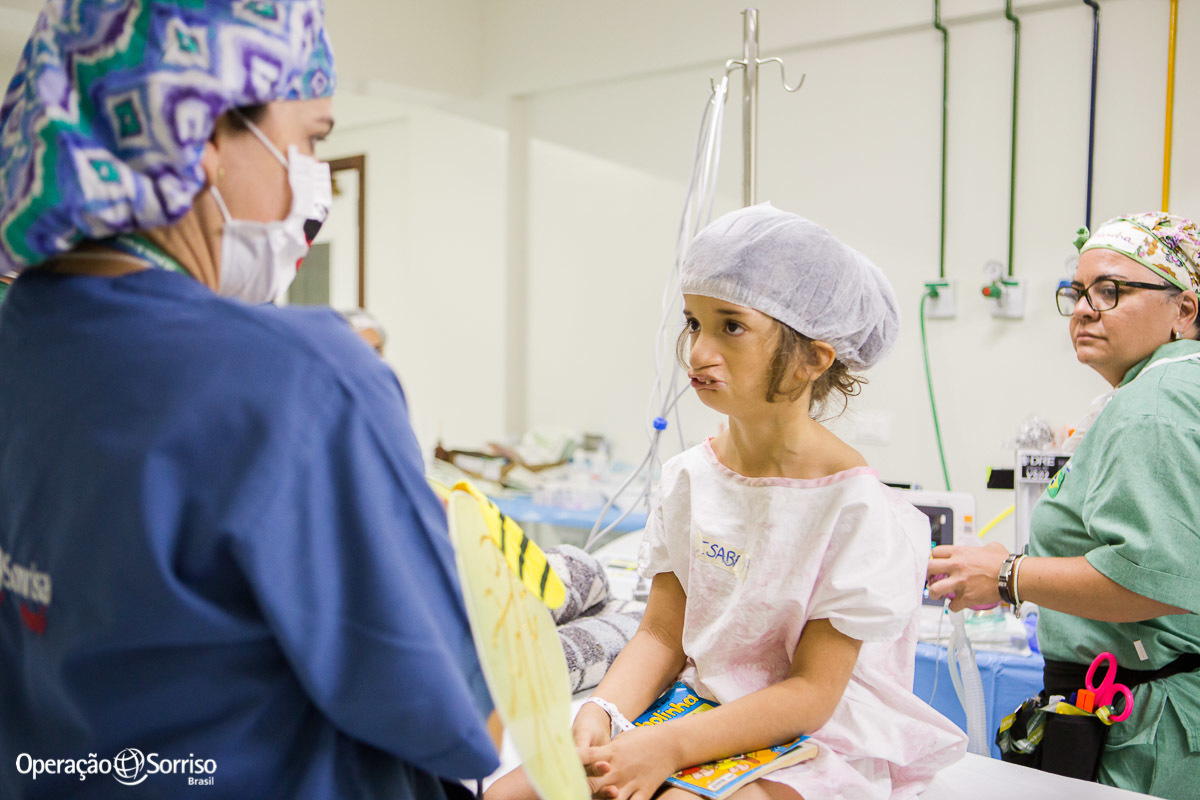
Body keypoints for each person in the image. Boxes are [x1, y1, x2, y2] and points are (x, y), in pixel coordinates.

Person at [0, 3, 497, 798]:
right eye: (310, 139)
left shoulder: (22, 342)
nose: (315, 182)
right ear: (197, 132)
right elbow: (454, 717)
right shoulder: (304, 378)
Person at [489, 204, 965, 800]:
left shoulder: (860, 511)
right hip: (696, 709)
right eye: (693, 323)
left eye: (731, 327)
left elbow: (811, 694)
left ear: (814, 358)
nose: (698, 351)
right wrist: (606, 712)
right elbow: (662, 636)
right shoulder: (690, 478)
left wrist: (667, 750)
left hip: (811, 733)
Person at [928, 212, 1200, 799]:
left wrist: (1007, 578)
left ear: (1185, 310)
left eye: (1112, 290)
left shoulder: (1153, 404)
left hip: (1149, 727)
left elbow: (1153, 581)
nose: (1084, 308)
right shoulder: (1166, 393)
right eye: (1077, 291)